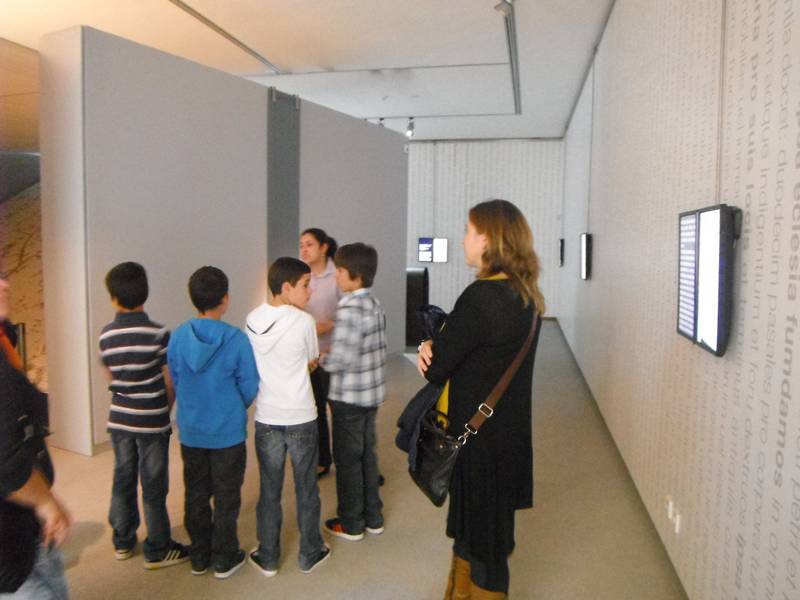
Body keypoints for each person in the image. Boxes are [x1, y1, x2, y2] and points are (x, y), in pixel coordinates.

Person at [417, 199, 544, 599]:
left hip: (476, 441)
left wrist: (426, 349)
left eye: (468, 232)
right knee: (486, 531)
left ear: (488, 239)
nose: (463, 239)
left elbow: (437, 369)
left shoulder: (481, 296)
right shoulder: (526, 296)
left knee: (481, 540)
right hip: (506, 433)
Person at [167, 266, 259, 579]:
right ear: (225, 299)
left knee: (195, 492)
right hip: (228, 432)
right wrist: (232, 407)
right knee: (227, 495)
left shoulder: (179, 336)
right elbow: (249, 384)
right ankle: (224, 557)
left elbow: (176, 377)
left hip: (192, 430)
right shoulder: (236, 339)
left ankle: (199, 555)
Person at [98, 262, 189, 569]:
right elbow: (169, 380)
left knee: (122, 478)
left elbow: (110, 376)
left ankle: (122, 541)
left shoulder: (106, 335)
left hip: (120, 420)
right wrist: (165, 408)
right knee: (153, 485)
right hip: (152, 420)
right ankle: (158, 547)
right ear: (145, 293)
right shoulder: (158, 333)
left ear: (113, 298)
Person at [245, 257, 331, 577]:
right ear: (285, 287)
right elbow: (311, 359)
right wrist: (307, 364)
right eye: (305, 285)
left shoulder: (252, 319)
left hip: (267, 415)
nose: (310, 292)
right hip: (301, 415)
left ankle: (268, 555)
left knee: (269, 489)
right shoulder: (304, 321)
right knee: (306, 486)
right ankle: (310, 552)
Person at [0, 274, 71, 599]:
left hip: (25, 526)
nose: (6, 285)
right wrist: (46, 503)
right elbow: (8, 461)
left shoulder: (5, 342)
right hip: (12, 547)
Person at [321, 243, 387, 541]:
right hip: (371, 394)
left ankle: (351, 523)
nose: (336, 276)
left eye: (339, 271)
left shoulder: (349, 308)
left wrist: (323, 359)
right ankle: (373, 517)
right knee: (367, 457)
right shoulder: (374, 303)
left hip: (348, 398)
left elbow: (343, 359)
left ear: (354, 275)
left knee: (348, 461)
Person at [299, 228, 340, 477]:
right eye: (301, 245)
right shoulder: (302, 277)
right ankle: (322, 459)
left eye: (309, 244)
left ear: (323, 247)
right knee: (316, 410)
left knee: (341, 413)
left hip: (334, 354)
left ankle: (353, 464)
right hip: (311, 357)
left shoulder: (338, 275)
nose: (304, 250)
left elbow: (350, 314)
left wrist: (329, 325)